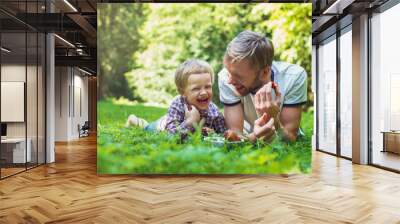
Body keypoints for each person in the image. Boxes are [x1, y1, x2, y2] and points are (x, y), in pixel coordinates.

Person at [218, 30, 307, 142]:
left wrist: (274, 119)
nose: (230, 80)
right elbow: (235, 137)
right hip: (248, 132)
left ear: (264, 72)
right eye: (228, 72)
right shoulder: (224, 78)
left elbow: (290, 138)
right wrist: (254, 136)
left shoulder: (294, 77)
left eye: (238, 76)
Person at [126, 59, 226, 137]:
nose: (204, 92)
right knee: (147, 128)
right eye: (196, 89)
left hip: (187, 133)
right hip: (162, 127)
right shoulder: (178, 105)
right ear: (182, 92)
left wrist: (214, 134)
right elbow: (171, 136)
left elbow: (223, 133)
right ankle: (133, 120)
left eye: (208, 87)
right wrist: (190, 122)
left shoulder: (214, 111)